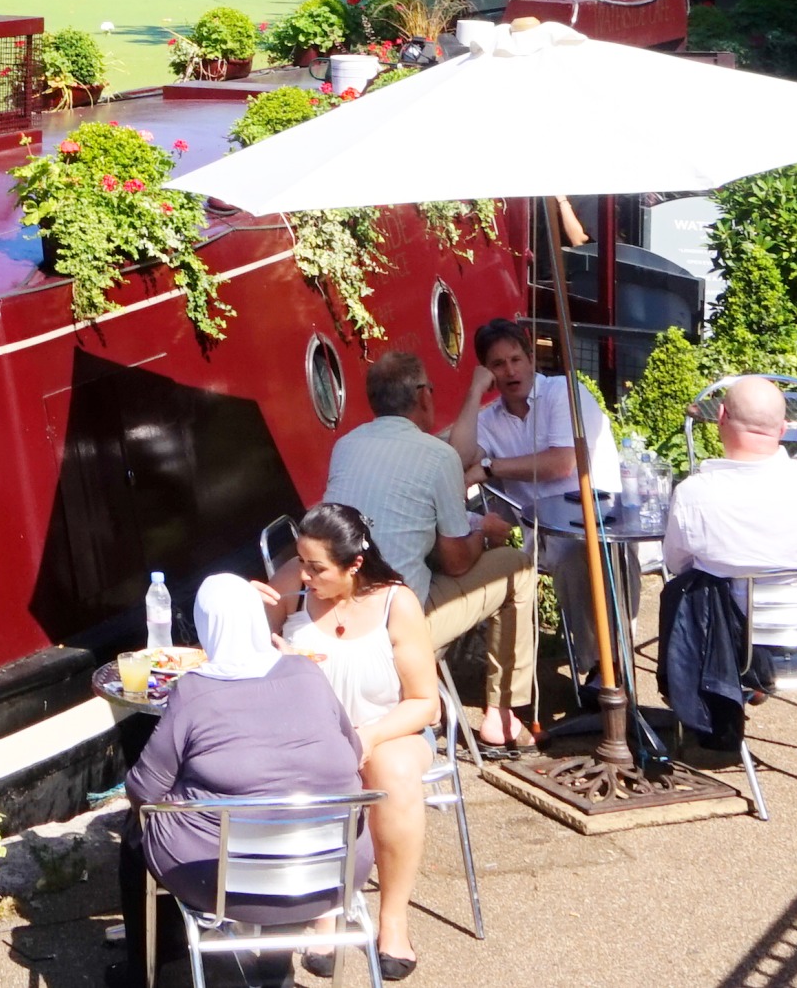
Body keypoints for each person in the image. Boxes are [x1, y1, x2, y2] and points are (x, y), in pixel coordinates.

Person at [119, 574, 361, 988]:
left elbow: (144, 790)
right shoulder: (306, 673)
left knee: (134, 833)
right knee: (283, 821)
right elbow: (353, 753)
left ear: (205, 628)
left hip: (220, 883)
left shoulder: (194, 690)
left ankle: (148, 968)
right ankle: (274, 968)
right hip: (331, 871)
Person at [324, 348, 536, 752]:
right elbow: (456, 562)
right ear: (423, 396)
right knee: (518, 567)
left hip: (336, 609)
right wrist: (486, 535)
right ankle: (500, 717)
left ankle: (439, 695)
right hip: (396, 623)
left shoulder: (346, 446)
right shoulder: (438, 456)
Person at [273, 503, 442, 980]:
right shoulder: (294, 593)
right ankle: (327, 903)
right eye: (300, 563)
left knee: (391, 771)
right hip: (311, 732)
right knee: (316, 764)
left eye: (316, 568)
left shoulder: (395, 602)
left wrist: (369, 734)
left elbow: (424, 702)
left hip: (389, 727)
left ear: (354, 565)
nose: (304, 576)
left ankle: (393, 918)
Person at [655, 377, 797, 756]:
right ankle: (743, 694)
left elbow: (675, 564)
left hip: (739, 654)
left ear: (719, 416)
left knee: (688, 590)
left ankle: (707, 708)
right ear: (784, 429)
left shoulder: (695, 495)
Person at [445, 319, 621, 697]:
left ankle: (611, 665)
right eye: (497, 365)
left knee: (605, 551)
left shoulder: (563, 393)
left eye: (515, 360)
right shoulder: (490, 421)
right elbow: (459, 458)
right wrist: (475, 393)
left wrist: (490, 469)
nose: (510, 371)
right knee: (576, 553)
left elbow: (562, 463)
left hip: (607, 518)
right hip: (543, 533)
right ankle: (603, 672)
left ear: (530, 359)